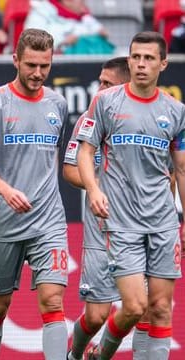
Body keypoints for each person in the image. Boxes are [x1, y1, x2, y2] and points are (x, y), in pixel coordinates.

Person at [77, 31, 185, 359]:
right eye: (135, 57)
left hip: (164, 222)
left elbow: (181, 170)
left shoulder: (176, 111)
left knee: (160, 310)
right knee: (135, 306)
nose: (140, 64)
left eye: (149, 58)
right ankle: (99, 354)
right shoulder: (107, 102)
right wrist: (94, 189)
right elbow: (85, 152)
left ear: (163, 64)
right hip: (121, 223)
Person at [0, 28, 69, 360]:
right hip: (4, 222)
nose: (38, 73)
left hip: (48, 222)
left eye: (45, 65)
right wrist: (6, 190)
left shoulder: (58, 105)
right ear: (15, 60)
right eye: (31, 65)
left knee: (53, 302)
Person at [63, 57, 133, 360]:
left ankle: (100, 356)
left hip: (138, 229)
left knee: (143, 308)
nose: (100, 89)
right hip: (99, 232)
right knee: (95, 316)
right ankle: (75, 353)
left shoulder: (145, 120)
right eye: (100, 82)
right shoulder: (87, 121)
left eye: (108, 84)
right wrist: (97, 188)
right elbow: (69, 170)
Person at [24, 0, 113, 54]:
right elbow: (32, 41)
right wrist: (63, 42)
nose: (84, 5)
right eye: (81, 1)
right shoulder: (41, 12)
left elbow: (101, 31)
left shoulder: (85, 16)